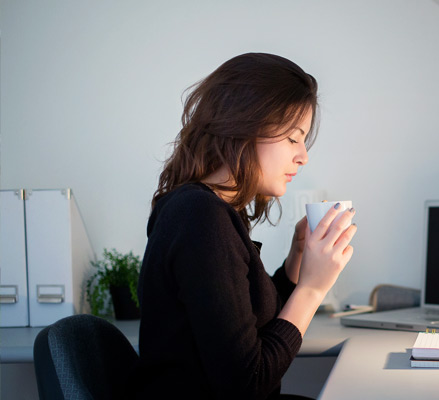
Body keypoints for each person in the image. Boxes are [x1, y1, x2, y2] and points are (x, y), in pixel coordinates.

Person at [130, 53, 357, 399]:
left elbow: (252, 327)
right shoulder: (199, 216)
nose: (303, 156)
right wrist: (313, 289)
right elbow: (247, 382)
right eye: (293, 138)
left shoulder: (209, 211)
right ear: (246, 124)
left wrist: (297, 262)